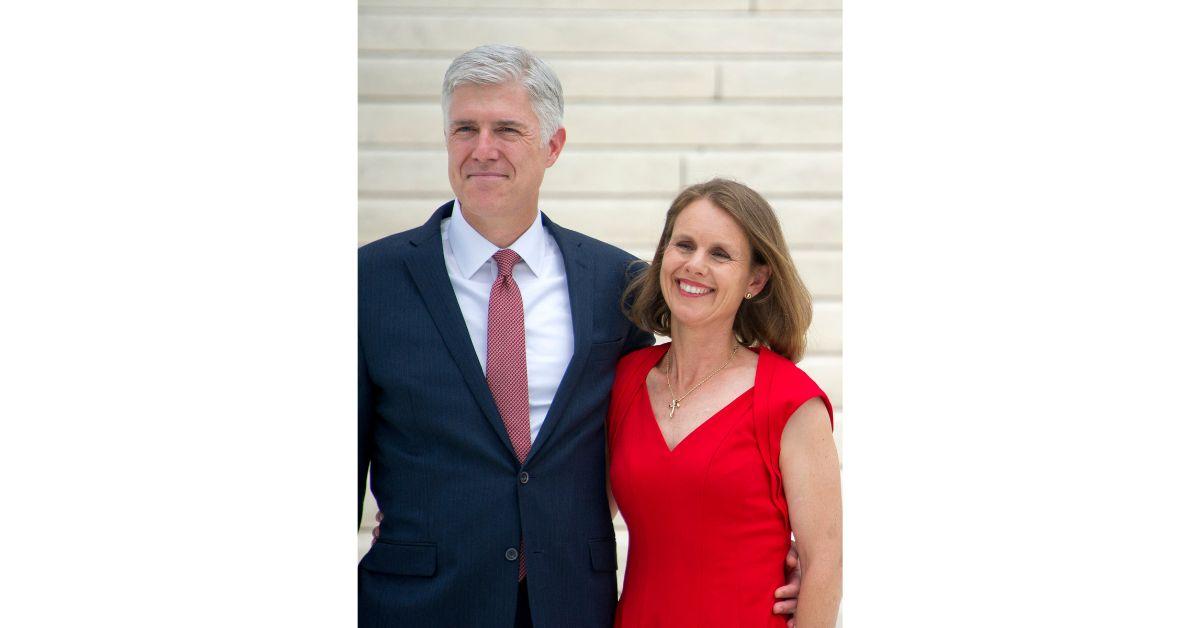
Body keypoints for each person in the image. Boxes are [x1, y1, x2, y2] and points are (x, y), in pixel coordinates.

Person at [359, 45, 803, 627]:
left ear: (553, 146)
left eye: (507, 129)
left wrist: (765, 554)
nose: (482, 149)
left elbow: (654, 440)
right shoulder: (369, 282)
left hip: (571, 606)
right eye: (465, 128)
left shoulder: (617, 286)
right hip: (417, 606)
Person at [607, 179, 843, 627]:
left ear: (755, 278)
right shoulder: (626, 381)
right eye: (685, 245)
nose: (695, 265)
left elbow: (824, 565)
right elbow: (581, 516)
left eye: (720, 254)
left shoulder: (791, 401)